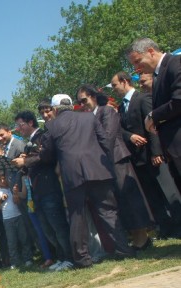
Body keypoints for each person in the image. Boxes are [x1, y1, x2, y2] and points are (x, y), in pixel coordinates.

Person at [39, 94, 136, 268]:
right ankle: (122, 248)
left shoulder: (52, 126)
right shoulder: (88, 117)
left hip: (72, 174)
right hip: (97, 170)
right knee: (108, 211)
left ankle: (82, 259)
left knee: (77, 216)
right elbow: (105, 141)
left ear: (54, 109)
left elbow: (46, 155)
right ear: (71, 105)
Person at [77, 84, 154, 250]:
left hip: (117, 159)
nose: (82, 105)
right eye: (79, 103)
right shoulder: (91, 117)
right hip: (105, 164)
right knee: (121, 201)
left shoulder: (107, 111)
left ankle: (143, 238)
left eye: (84, 100)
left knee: (130, 198)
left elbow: (109, 137)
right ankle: (136, 237)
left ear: (94, 97)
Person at [111, 71, 181, 238]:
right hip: (138, 159)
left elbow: (153, 126)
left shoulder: (142, 98)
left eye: (114, 85)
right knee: (152, 196)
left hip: (153, 155)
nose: (113, 89)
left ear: (124, 81)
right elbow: (120, 130)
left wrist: (157, 151)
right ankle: (166, 228)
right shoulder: (121, 107)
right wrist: (130, 136)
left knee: (168, 192)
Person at [12, 110, 73, 270]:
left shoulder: (44, 136)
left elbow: (46, 157)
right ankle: (60, 257)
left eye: (20, 125)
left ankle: (69, 258)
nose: (18, 129)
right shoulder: (28, 143)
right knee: (48, 228)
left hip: (49, 187)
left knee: (58, 225)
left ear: (30, 122)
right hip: (36, 191)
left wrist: (25, 162)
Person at [127, 37, 181, 182]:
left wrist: (153, 116)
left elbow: (179, 100)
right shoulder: (158, 76)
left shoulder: (175, 63)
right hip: (173, 152)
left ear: (151, 51)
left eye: (138, 61)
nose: (137, 69)